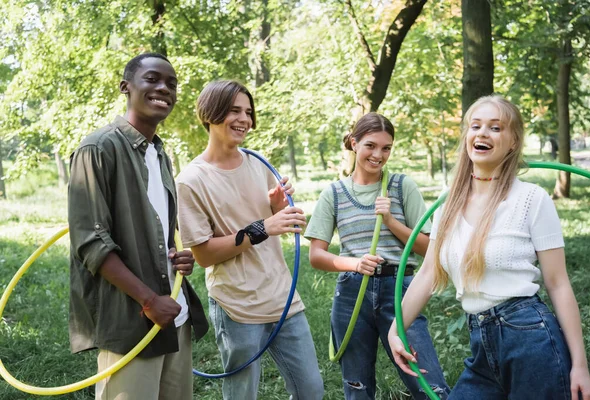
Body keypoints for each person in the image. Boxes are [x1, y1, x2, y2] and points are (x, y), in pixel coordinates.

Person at [388, 95, 590, 400]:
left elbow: (558, 283)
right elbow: (429, 273)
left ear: (513, 142)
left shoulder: (531, 199)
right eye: (476, 126)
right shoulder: (449, 205)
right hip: (481, 343)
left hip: (530, 338)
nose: (483, 133)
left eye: (495, 128)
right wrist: (396, 330)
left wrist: (580, 365)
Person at [68, 53, 209, 400]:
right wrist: (148, 300)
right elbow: (91, 242)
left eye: (172, 84)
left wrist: (178, 258)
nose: (164, 88)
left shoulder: (159, 154)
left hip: (174, 316)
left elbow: (158, 229)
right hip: (132, 320)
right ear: (126, 87)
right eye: (152, 79)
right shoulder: (97, 149)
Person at [176, 79, 324, 400]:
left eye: (248, 112)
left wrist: (278, 205)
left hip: (282, 296)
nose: (244, 119)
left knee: (311, 389)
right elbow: (203, 255)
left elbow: (272, 219)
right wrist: (264, 226)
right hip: (236, 306)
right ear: (209, 114)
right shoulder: (190, 180)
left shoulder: (258, 162)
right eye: (234, 111)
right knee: (242, 395)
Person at [304, 112, 450, 400]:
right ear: (354, 143)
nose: (378, 155)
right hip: (351, 292)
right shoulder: (333, 193)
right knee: (357, 387)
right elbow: (316, 256)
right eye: (370, 145)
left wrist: (392, 221)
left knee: (429, 384)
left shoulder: (401, 186)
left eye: (386, 148)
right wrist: (355, 264)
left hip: (399, 289)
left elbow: (428, 249)